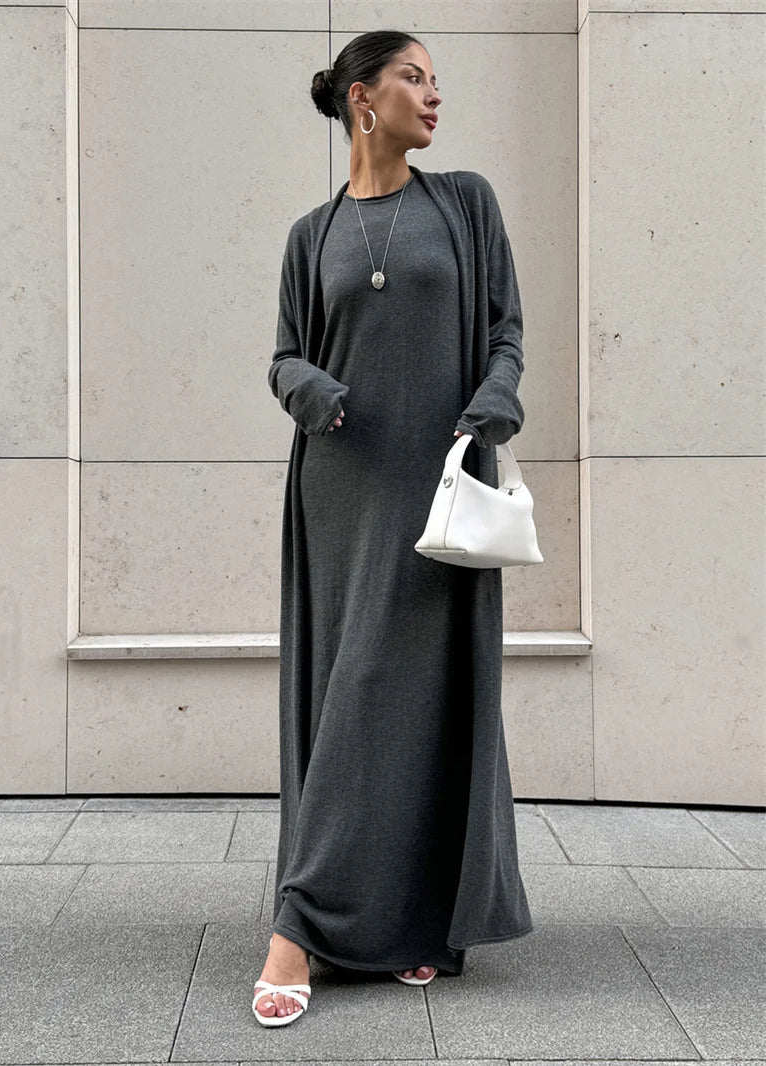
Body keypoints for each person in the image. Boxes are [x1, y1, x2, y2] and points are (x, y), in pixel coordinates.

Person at [252, 29, 533, 1027]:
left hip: (439, 479)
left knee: (420, 696)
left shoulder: (462, 203)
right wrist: (310, 388)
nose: (433, 93)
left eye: (435, 77)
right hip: (339, 486)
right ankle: (304, 921)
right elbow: (282, 354)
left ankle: (411, 921)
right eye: (413, 75)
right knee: (348, 691)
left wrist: (494, 395)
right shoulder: (309, 233)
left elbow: (503, 327)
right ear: (362, 100)